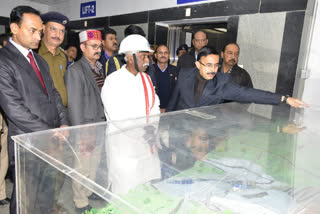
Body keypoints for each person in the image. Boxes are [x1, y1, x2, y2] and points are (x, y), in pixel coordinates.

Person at [0, 6, 68, 214]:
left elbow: (54, 94)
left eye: (40, 31)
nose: (38, 36)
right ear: (14, 28)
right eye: (33, 30)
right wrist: (48, 130)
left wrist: (63, 121)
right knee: (25, 199)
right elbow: (13, 108)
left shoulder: (38, 59)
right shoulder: (4, 60)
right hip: (26, 141)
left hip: (50, 138)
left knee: (46, 193)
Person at [166, 46, 308, 111]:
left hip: (205, 134)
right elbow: (173, 101)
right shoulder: (184, 74)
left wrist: (284, 98)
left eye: (216, 65)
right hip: (180, 130)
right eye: (208, 65)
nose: (213, 70)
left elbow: (248, 93)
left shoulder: (221, 82)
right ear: (197, 64)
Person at [65, 29, 106, 214]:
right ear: (82, 47)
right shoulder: (75, 70)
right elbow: (74, 104)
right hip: (86, 126)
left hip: (99, 123)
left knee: (93, 163)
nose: (98, 50)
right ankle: (79, 201)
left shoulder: (97, 67)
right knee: (82, 166)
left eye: (99, 46)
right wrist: (80, 133)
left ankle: (87, 192)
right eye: (93, 46)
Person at [101, 34, 160, 121]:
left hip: (147, 133)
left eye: (148, 57)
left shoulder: (146, 78)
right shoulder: (113, 81)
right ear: (130, 58)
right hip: (122, 134)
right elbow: (116, 116)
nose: (147, 61)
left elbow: (154, 106)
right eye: (143, 56)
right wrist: (140, 131)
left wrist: (152, 128)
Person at [38, 11, 69, 107]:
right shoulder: (34, 54)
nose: (57, 35)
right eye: (53, 29)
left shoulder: (63, 56)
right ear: (43, 29)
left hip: (63, 112)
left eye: (62, 31)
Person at [153, 44, 178, 113]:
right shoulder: (149, 71)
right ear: (155, 55)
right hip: (153, 110)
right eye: (160, 53)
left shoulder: (175, 71)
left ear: (169, 55)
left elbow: (177, 93)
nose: (163, 55)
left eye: (166, 53)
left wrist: (168, 109)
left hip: (171, 110)